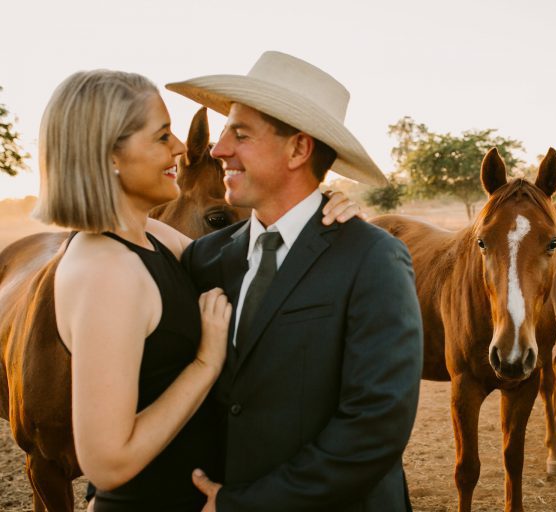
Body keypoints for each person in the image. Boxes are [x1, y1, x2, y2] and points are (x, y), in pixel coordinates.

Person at [34, 69, 360, 512]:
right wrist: (206, 363)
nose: (180, 148)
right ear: (109, 153)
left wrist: (317, 211)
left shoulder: (153, 238)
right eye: (162, 136)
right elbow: (107, 464)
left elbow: (260, 264)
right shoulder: (104, 271)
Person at [167, 51, 424, 511]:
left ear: (299, 149)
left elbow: (375, 426)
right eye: (225, 132)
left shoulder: (374, 258)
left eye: (240, 134)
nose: (219, 149)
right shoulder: (205, 258)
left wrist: (245, 505)